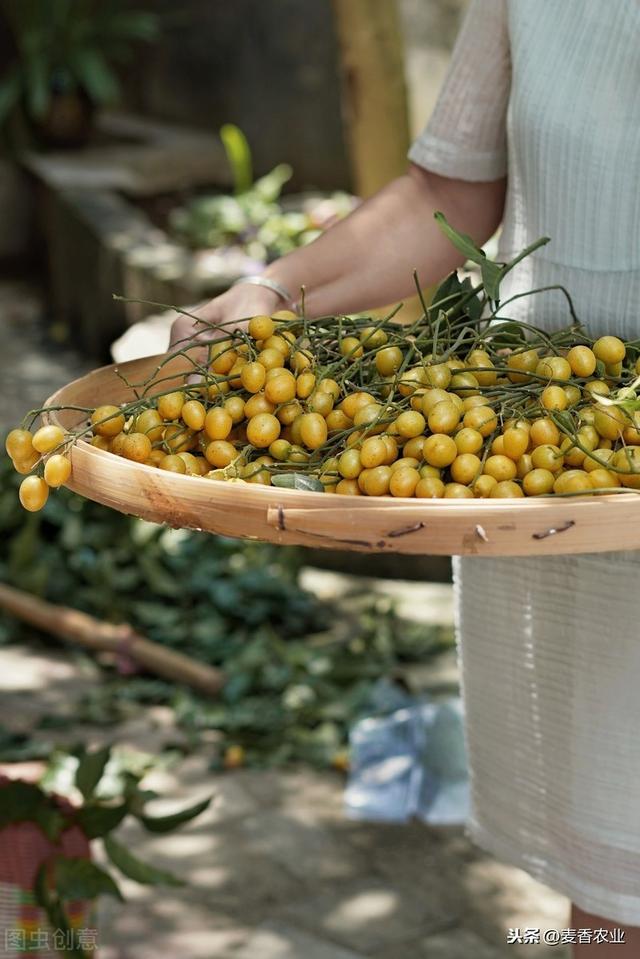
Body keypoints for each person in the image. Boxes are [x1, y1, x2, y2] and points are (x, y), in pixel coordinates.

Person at [171, 2, 640, 954]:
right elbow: (450, 190)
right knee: (611, 897)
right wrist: (269, 295)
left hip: (569, 470)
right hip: (561, 488)